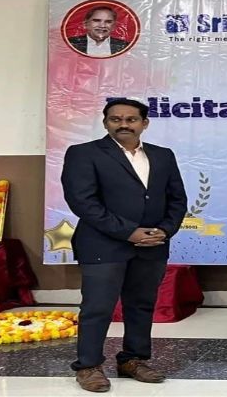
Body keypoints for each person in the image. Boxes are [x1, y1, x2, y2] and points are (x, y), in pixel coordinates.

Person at [61, 98, 187, 392]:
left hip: (152, 245)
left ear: (144, 123)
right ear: (105, 123)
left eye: (131, 119)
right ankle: (88, 366)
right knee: (98, 307)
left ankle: (133, 360)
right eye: (115, 119)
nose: (123, 125)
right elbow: (83, 202)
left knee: (141, 305)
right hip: (102, 245)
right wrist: (129, 232)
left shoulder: (163, 155)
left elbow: (177, 199)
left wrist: (164, 230)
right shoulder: (84, 153)